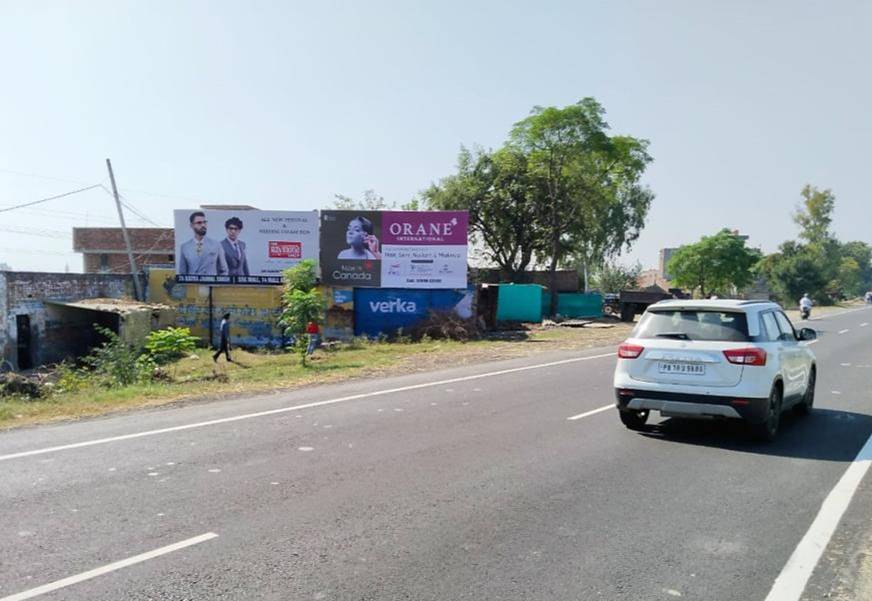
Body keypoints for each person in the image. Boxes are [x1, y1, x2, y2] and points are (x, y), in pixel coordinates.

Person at [178, 211, 228, 276]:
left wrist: (217, 284)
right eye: (199, 223)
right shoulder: (185, 247)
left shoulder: (216, 245)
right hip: (194, 284)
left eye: (204, 222)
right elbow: (182, 273)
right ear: (192, 225)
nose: (203, 225)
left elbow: (224, 270)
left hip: (211, 284)